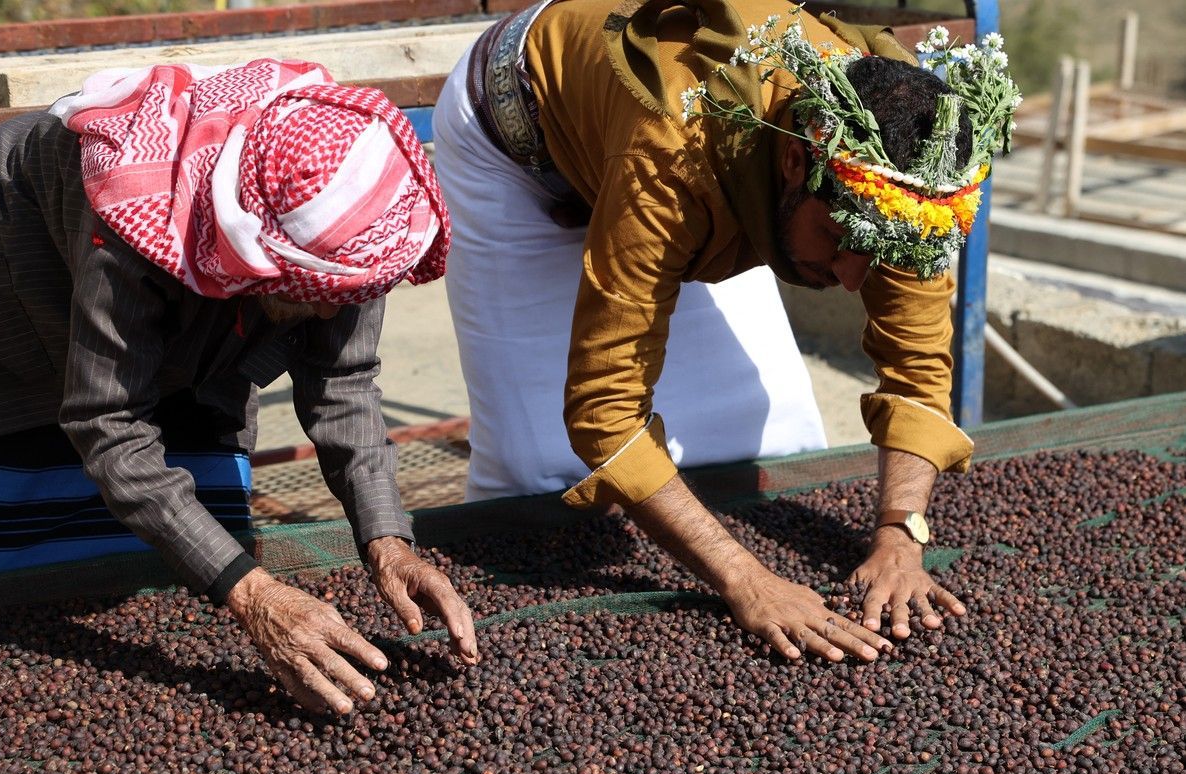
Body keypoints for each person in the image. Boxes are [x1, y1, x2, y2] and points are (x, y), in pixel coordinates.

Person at [433, 1, 1018, 661]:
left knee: (781, 435)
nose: (854, 280)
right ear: (796, 162)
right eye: (837, 239)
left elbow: (917, 362)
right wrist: (746, 579)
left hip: (694, 165)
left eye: (877, 256)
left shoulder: (911, 160)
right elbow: (604, 409)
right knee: (539, 471)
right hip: (516, 142)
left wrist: (900, 535)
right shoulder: (675, 153)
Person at [0, 58, 478, 715]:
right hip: (17, 272)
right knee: (13, 557)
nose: (335, 315)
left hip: (212, 288)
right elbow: (108, 423)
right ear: (253, 257)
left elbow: (343, 377)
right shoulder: (130, 218)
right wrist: (256, 597)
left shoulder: (358, 218)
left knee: (200, 543)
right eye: (319, 299)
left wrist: (387, 538)